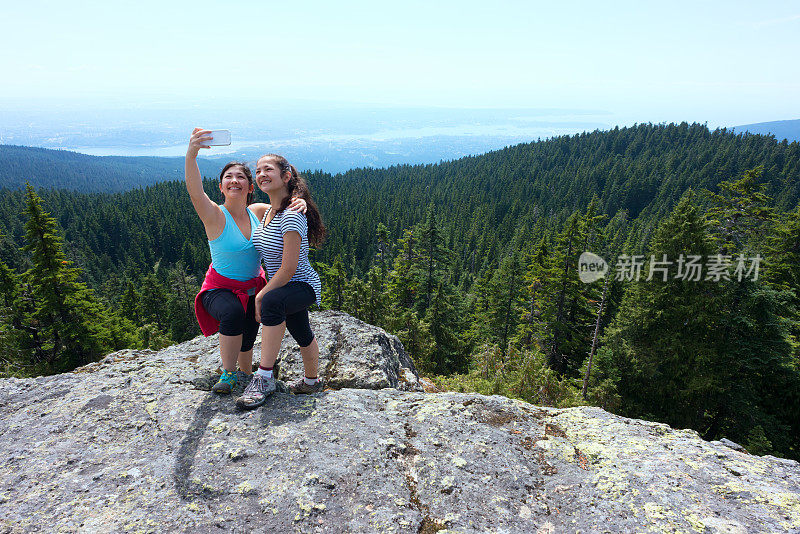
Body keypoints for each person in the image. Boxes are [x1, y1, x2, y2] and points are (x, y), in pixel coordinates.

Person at [185, 129, 306, 395]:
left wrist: (298, 202)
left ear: (251, 187)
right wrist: (192, 154)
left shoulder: (258, 212)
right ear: (221, 186)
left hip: (253, 287)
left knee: (249, 332)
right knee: (232, 314)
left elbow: (282, 206)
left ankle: (246, 374)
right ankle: (227, 374)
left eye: (241, 177)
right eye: (228, 177)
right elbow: (195, 192)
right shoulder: (215, 215)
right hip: (219, 289)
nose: (234, 180)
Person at [235, 153, 326, 410]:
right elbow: (238, 209)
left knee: (272, 302)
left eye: (268, 169)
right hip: (286, 286)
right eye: (258, 171)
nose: (261, 174)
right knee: (300, 330)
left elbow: (288, 269)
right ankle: (311, 381)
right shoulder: (267, 212)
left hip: (301, 284)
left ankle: (264, 378)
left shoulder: (291, 216)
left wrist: (263, 295)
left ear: (285, 177)